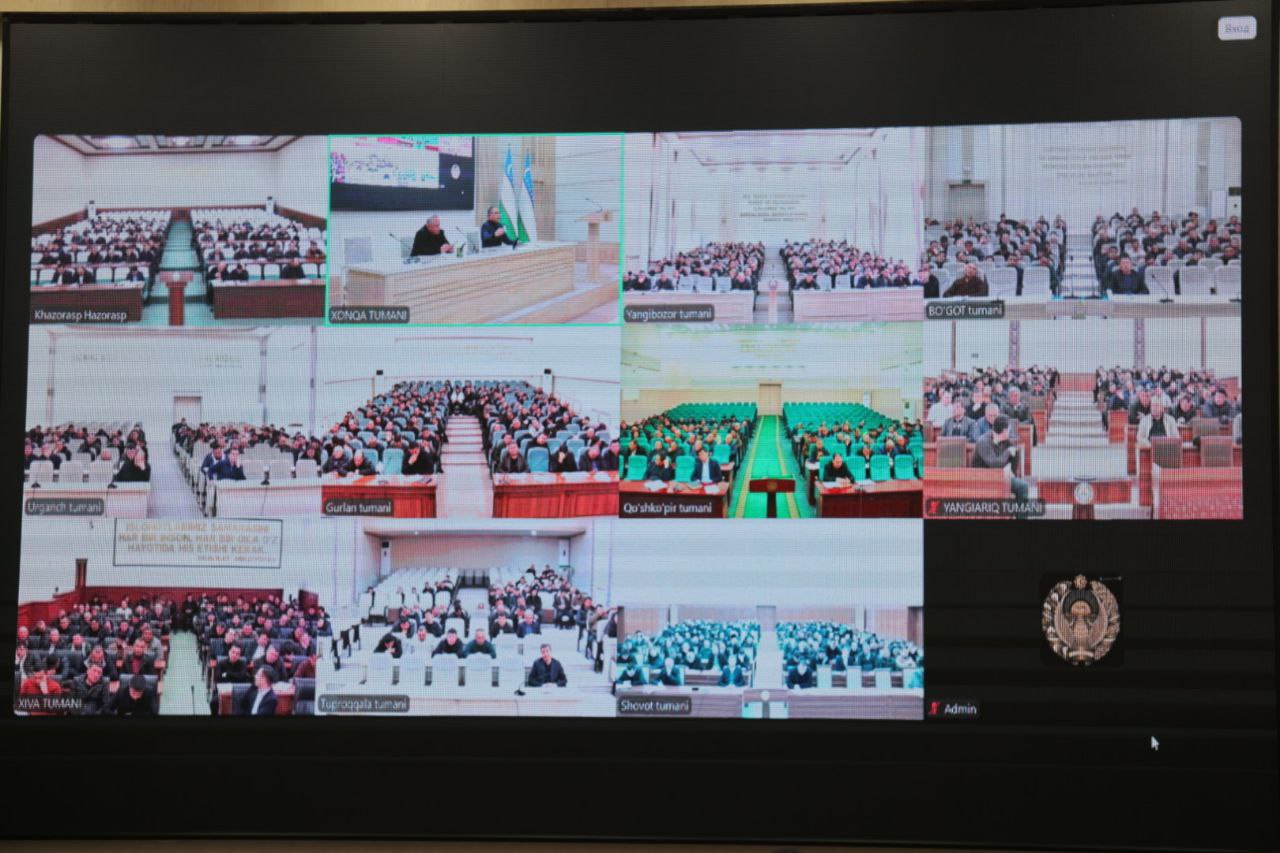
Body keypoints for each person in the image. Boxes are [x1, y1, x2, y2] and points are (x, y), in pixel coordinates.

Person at [971, 415, 1029, 503]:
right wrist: (1008, 452)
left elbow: (1015, 453)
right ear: (1005, 431)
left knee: (1023, 486)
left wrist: (1011, 473)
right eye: (1009, 430)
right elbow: (995, 464)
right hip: (982, 478)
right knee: (1021, 487)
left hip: (999, 476)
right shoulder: (983, 442)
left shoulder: (1005, 440)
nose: (1010, 432)